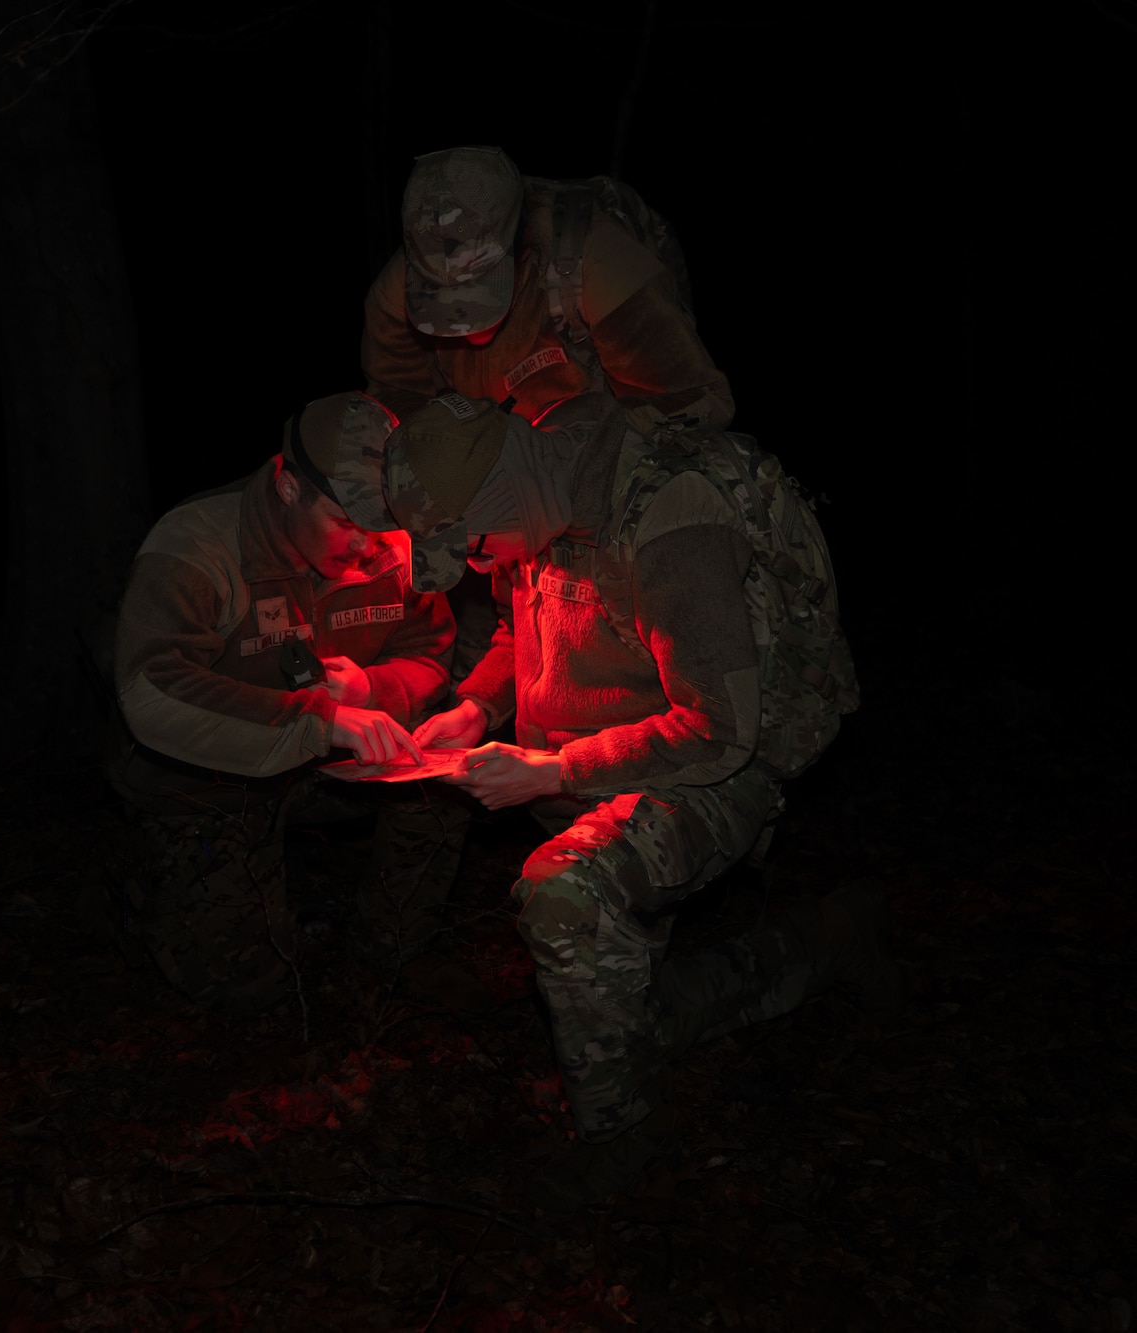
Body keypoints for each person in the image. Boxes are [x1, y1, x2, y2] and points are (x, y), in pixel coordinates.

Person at [322, 388, 893, 1210]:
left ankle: (625, 1136)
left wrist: (551, 773)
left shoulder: (670, 518)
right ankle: (833, 936)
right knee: (633, 1014)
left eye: (479, 546)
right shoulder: (540, 484)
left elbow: (719, 728)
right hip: (604, 757)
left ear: (504, 494)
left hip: (713, 769)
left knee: (565, 897)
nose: (481, 567)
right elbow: (527, 622)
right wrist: (478, 707)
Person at [104, 392, 471, 1015]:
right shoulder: (197, 547)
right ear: (287, 486)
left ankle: (387, 954)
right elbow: (152, 686)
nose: (368, 545)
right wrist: (320, 721)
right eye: (348, 521)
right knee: (244, 990)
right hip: (209, 778)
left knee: (448, 782)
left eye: (382, 524)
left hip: (326, 770)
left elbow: (429, 650)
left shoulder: (394, 543)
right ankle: (142, 882)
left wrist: (372, 692)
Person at [361, 145, 733, 436]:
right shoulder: (397, 294)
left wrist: (564, 447)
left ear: (521, 246)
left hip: (591, 452)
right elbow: (396, 401)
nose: (466, 325)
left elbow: (699, 400)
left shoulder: (598, 263)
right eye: (441, 300)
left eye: (479, 289)